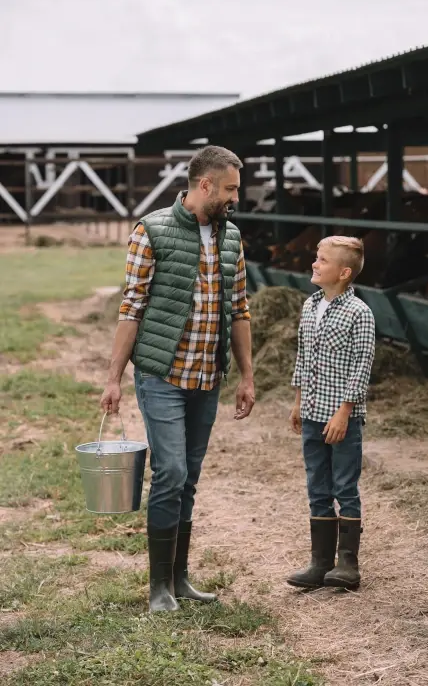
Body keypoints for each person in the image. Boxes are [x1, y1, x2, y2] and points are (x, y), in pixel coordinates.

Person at [100, 145, 255, 612]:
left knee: (188, 479)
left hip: (207, 378)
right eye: (229, 189)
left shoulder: (231, 239)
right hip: (162, 374)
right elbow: (131, 306)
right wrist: (113, 378)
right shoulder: (152, 230)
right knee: (171, 472)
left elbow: (240, 308)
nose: (234, 199)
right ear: (204, 185)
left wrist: (247, 375)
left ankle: (180, 577)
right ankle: (158, 588)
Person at [286, 235, 375, 591]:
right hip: (311, 412)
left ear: (344, 272)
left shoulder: (360, 313)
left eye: (322, 260)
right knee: (317, 485)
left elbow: (362, 366)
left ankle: (347, 563)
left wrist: (344, 412)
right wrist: (298, 401)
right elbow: (303, 358)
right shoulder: (310, 306)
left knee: (344, 485)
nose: (314, 264)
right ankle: (320, 561)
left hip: (342, 417)